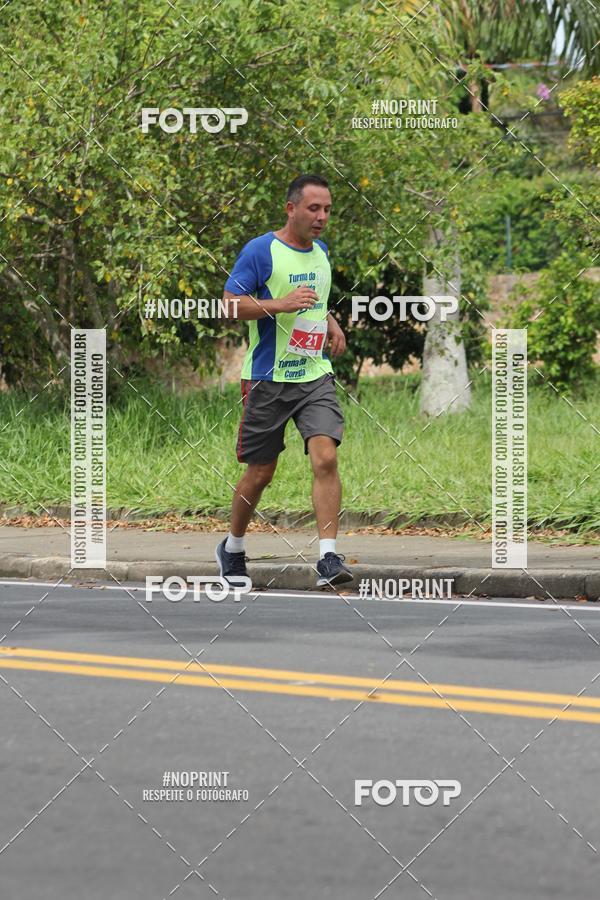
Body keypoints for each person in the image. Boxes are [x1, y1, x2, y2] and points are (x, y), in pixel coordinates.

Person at [215, 173, 354, 589]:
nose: (322, 217)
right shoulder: (261, 251)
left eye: (327, 209)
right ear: (291, 208)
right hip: (267, 380)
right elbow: (228, 306)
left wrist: (330, 322)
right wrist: (280, 305)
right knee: (260, 474)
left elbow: (314, 298)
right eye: (314, 208)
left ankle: (328, 558)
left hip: (313, 376)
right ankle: (233, 546)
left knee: (326, 457)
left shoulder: (322, 253)